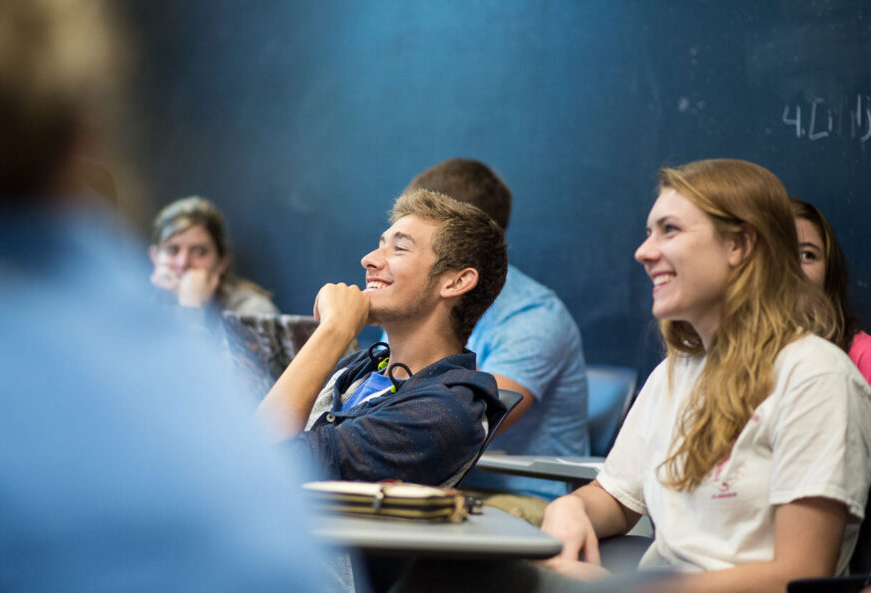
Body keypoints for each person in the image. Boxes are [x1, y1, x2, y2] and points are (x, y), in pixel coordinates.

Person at [0, 1, 327, 593]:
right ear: (86, 138)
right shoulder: (175, 367)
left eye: (196, 253)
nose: (180, 266)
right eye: (171, 252)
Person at [388, 159, 871, 593]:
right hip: (643, 587)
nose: (644, 252)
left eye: (670, 230)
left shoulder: (816, 376)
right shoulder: (676, 373)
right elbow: (615, 497)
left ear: (739, 245)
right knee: (439, 573)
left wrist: (634, 592)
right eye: (648, 232)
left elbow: (798, 574)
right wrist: (570, 511)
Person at [256, 189, 509, 487]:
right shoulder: (359, 369)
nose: (369, 260)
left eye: (399, 249)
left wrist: (335, 329)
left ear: (456, 282)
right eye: (380, 245)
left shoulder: (446, 412)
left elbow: (258, 465)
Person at [399, 157, 588, 503]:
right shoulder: (414, 303)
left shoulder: (534, 317)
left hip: (522, 497)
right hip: (435, 482)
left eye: (411, 239)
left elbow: (461, 428)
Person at [149, 196, 278, 316]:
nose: (182, 263)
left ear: (222, 262)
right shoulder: (136, 303)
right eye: (172, 250)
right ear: (154, 257)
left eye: (199, 252)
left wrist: (191, 306)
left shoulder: (251, 310)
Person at [791, 197, 871, 384]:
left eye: (807, 255)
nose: (792, 269)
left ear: (829, 269)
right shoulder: (734, 356)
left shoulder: (863, 356)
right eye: (779, 255)